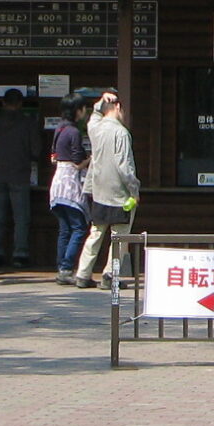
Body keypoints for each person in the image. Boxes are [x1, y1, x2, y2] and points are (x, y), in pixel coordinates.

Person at [73, 91, 138, 287]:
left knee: (95, 233)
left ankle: (83, 273)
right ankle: (110, 275)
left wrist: (101, 101)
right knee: (119, 236)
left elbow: (94, 116)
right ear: (118, 107)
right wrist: (134, 189)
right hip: (120, 193)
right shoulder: (121, 132)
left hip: (99, 191)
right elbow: (125, 166)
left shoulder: (96, 129)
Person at [0, 89, 45, 272]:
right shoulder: (28, 123)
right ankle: (21, 254)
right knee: (21, 217)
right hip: (20, 174)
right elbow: (36, 151)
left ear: (3, 103)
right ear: (20, 104)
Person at [49, 98, 91, 284]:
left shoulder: (59, 129)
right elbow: (77, 161)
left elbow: (53, 157)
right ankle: (66, 267)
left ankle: (62, 268)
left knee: (64, 229)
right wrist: (91, 159)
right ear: (78, 110)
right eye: (83, 109)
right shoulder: (73, 131)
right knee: (79, 228)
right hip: (70, 183)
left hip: (57, 183)